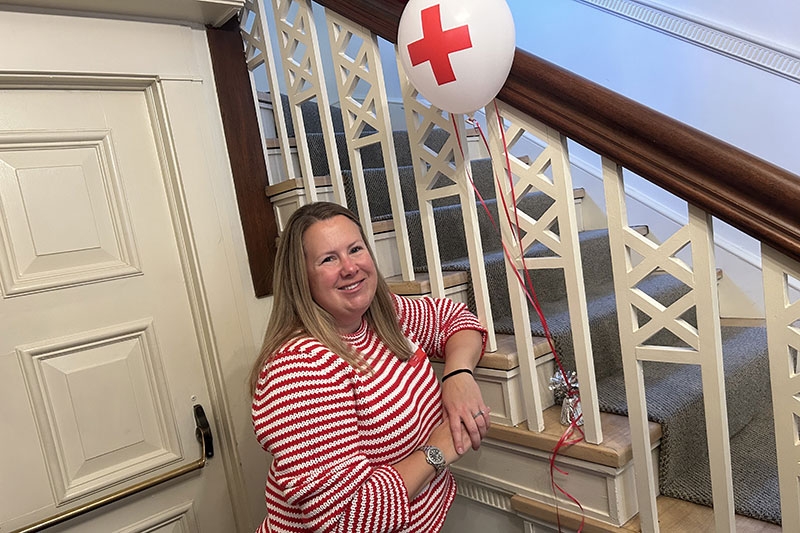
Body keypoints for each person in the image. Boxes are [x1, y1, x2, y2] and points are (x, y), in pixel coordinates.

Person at [249, 201, 490, 533]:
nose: (350, 268)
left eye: (355, 249)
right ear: (301, 278)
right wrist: (438, 449)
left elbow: (454, 318)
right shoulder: (301, 367)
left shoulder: (380, 315)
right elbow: (346, 519)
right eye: (328, 259)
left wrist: (458, 374)